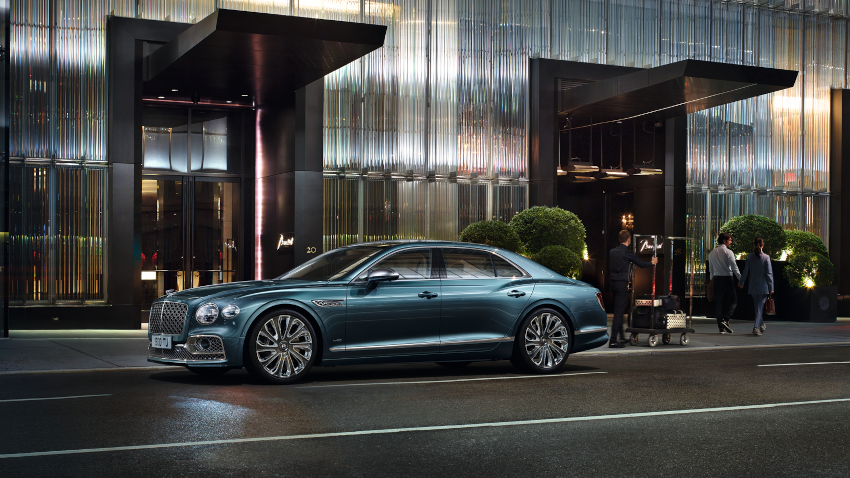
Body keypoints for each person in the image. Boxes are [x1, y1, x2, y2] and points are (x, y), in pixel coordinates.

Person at [608, 230, 657, 348]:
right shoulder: (628, 253)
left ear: (620, 239)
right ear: (629, 239)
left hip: (613, 284)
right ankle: (613, 340)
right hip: (622, 284)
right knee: (619, 312)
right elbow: (640, 264)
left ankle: (621, 337)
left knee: (618, 311)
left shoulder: (612, 252)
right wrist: (652, 262)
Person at [738, 237, 774, 336]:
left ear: (754, 244)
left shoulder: (749, 257)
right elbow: (769, 274)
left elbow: (745, 271)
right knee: (759, 308)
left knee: (757, 307)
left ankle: (761, 325)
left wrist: (741, 282)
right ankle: (756, 327)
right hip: (763, 287)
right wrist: (771, 288)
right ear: (763, 245)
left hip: (753, 286)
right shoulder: (766, 257)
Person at [708, 232, 741, 334]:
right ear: (724, 241)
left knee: (718, 304)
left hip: (717, 279)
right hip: (728, 279)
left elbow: (711, 270)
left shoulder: (712, 253)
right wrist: (741, 279)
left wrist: (711, 280)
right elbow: (734, 267)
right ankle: (725, 320)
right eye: (730, 240)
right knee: (733, 301)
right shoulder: (729, 252)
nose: (731, 242)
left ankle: (720, 328)